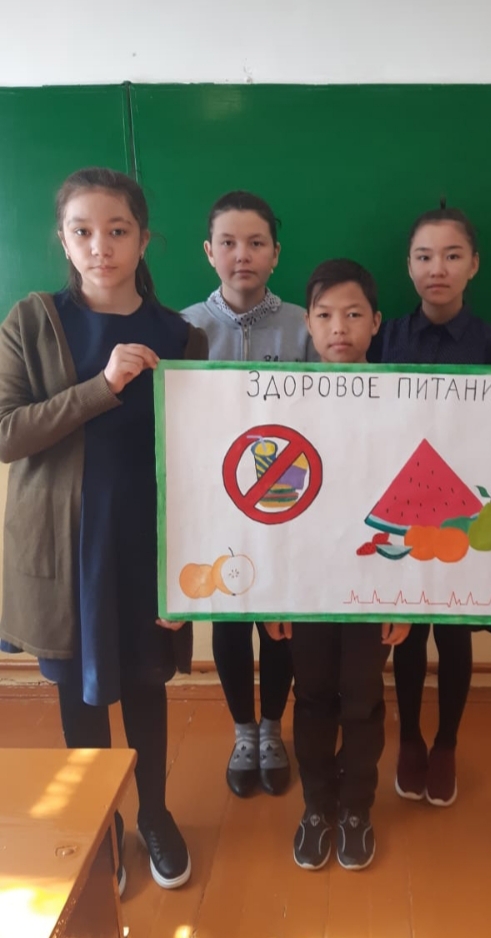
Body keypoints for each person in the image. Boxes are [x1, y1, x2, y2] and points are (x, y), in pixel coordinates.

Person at [0, 167, 208, 891]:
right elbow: (7, 432)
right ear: (63, 240)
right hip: (66, 550)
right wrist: (101, 387)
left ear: (143, 239)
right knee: (79, 696)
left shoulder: (181, 335)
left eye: (117, 230)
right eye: (82, 231)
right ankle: (100, 825)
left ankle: (154, 813)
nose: (101, 246)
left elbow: (194, 461)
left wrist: (186, 566)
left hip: (145, 547)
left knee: (147, 685)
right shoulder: (34, 320)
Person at [267, 258, 411, 871]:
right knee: (312, 696)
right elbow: (271, 510)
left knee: (363, 700)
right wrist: (273, 595)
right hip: (306, 586)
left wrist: (406, 597)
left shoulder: (404, 402)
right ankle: (316, 806)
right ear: (308, 323)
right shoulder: (284, 403)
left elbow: (410, 504)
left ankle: (356, 808)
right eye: (325, 315)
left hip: (376, 583)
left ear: (376, 322)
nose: (339, 328)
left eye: (353, 314)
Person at [369, 203, 491, 807]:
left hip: (462, 510)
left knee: (452, 634)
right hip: (398, 505)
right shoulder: (384, 338)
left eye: (452, 256)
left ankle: (446, 742)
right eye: (424, 256)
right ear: (408, 265)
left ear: (474, 264)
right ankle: (410, 738)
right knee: (406, 630)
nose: (438, 269)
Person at [182, 191, 313, 798]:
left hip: (288, 500)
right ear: (209, 252)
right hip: (214, 506)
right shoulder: (182, 327)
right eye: (229, 243)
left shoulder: (305, 324)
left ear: (275, 253)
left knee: (279, 621)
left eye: (256, 243)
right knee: (230, 619)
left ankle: (272, 729)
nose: (243, 255)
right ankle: (242, 732)